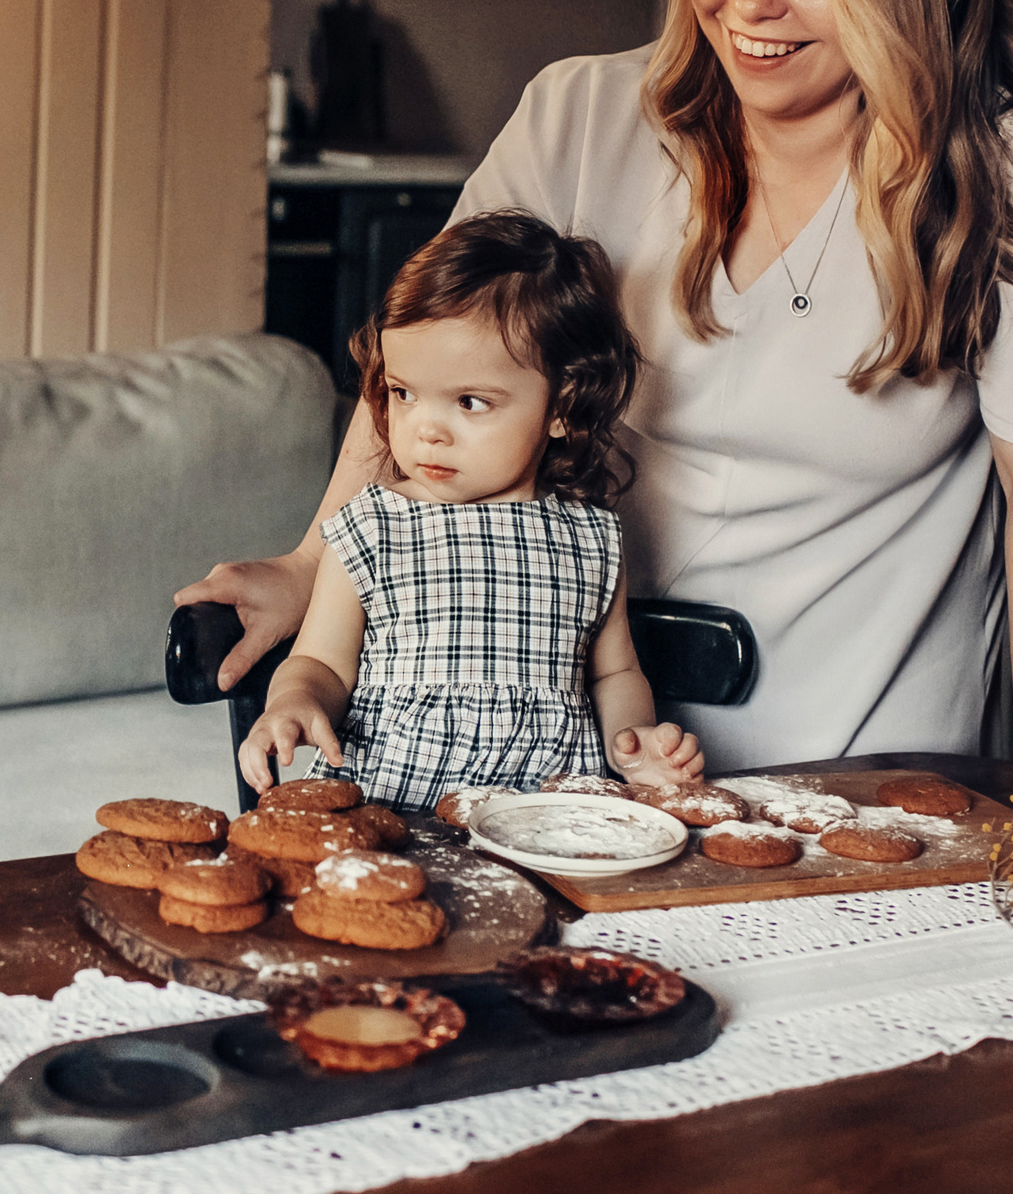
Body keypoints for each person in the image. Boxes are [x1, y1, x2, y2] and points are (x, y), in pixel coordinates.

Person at [186, 0, 1013, 872]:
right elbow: (423, 372)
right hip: (575, 771)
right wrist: (316, 561)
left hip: (855, 779)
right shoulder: (577, 121)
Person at [237, 212, 706, 811]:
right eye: (404, 393)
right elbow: (320, 660)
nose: (426, 429)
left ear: (563, 406)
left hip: (549, 816)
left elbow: (614, 675)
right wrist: (294, 703)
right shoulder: (373, 526)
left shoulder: (591, 538)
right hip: (396, 809)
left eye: (469, 401)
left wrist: (633, 745)